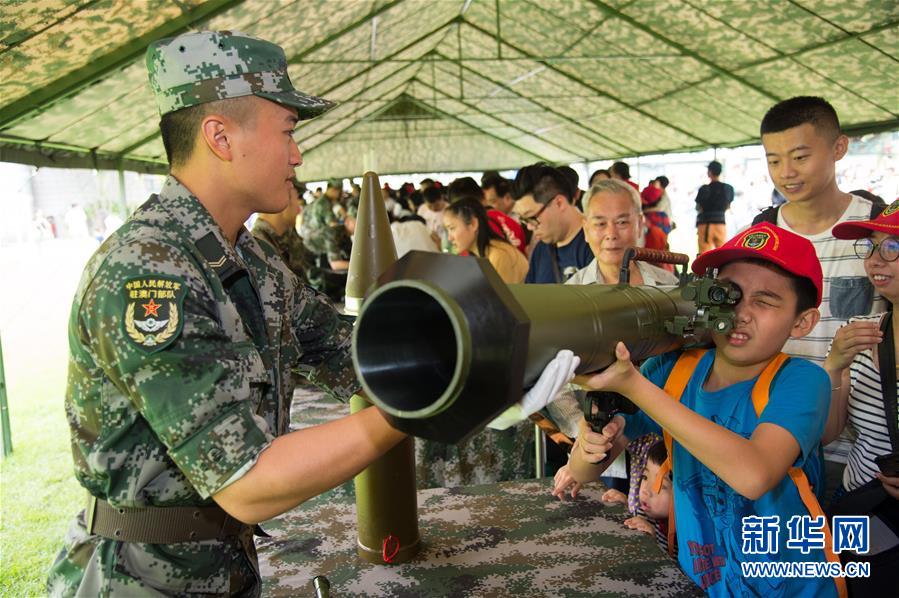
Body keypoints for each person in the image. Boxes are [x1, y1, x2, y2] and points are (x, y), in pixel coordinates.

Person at [44, 31, 415, 596]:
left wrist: (466, 355)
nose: (297, 154)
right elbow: (247, 481)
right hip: (141, 582)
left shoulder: (248, 255)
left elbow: (343, 347)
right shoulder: (149, 274)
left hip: (221, 567)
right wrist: (415, 407)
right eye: (288, 132)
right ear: (220, 137)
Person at [569, 223, 844, 597]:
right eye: (728, 296)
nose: (740, 314)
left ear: (802, 322)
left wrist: (632, 385)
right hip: (703, 582)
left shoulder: (802, 381)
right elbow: (584, 470)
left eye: (764, 301)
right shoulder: (673, 370)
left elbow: (754, 473)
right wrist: (591, 442)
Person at [752, 96, 885, 491]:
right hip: (781, 439)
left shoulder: (878, 228)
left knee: (855, 550)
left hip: (867, 450)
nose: (786, 173)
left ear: (838, 148)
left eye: (799, 156)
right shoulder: (760, 238)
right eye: (773, 160)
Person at [821, 204, 899, 592]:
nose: (874, 260)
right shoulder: (859, 334)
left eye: (893, 246)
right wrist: (834, 366)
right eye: (871, 246)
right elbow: (829, 431)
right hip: (860, 508)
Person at [513, 163, 592, 283]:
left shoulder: (596, 244)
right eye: (524, 220)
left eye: (531, 217)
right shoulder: (540, 250)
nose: (529, 227)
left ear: (559, 203)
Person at [444, 197, 528, 284]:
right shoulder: (482, 256)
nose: (449, 238)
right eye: (448, 230)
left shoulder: (499, 255)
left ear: (473, 224)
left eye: (452, 228)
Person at [252, 177, 317, 287]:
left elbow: (312, 272)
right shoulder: (258, 246)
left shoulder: (288, 235)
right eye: (297, 199)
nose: (299, 210)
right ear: (282, 198)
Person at [448, 176, 526, 254]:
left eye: (452, 228)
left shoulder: (476, 229)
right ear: (483, 196)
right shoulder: (511, 222)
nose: (450, 238)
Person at [300, 178, 351, 271]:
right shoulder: (324, 203)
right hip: (316, 241)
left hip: (312, 238)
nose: (339, 195)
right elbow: (332, 225)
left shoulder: (321, 201)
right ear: (333, 190)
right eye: (339, 192)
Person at [694, 160, 734, 253]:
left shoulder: (704, 189)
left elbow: (698, 208)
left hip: (705, 225)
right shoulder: (728, 188)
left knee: (703, 255)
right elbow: (728, 206)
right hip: (721, 224)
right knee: (721, 254)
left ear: (709, 172)